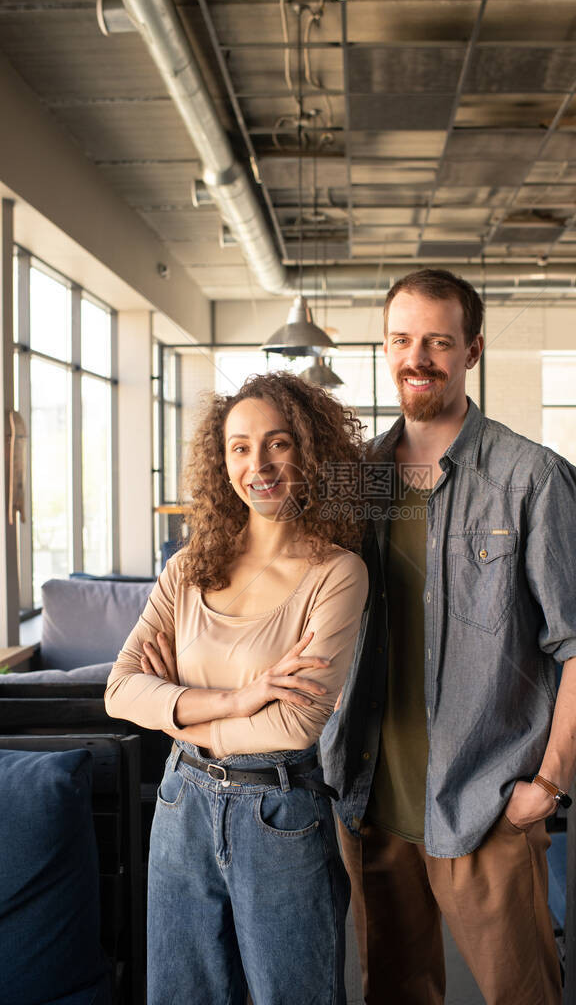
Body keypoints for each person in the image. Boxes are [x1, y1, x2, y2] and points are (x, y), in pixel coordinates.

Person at [320, 269, 576, 1005]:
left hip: (485, 800)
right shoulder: (357, 480)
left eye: (437, 341)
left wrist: (545, 784)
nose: (416, 357)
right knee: (393, 992)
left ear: (471, 350)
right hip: (368, 800)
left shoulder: (530, 477)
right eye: (400, 339)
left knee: (520, 995)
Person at [105, 371, 368, 1005]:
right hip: (180, 804)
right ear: (223, 463)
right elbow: (118, 689)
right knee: (181, 994)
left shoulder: (336, 573)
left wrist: (172, 710)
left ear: (310, 454)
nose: (261, 465)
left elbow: (296, 723)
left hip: (278, 812)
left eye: (279, 444)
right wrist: (234, 700)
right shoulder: (189, 566)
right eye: (241, 447)